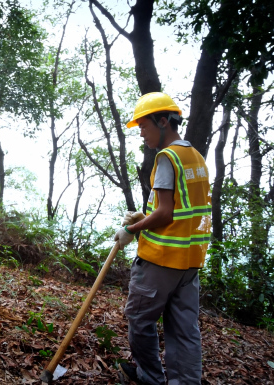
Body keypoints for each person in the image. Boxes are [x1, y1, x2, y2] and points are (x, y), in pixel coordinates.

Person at [114, 92, 211, 385]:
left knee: (140, 319)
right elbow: (181, 210)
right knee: (184, 330)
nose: (141, 132)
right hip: (190, 261)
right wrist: (142, 217)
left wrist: (132, 230)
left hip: (161, 260)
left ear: (164, 121)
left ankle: (150, 378)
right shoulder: (195, 157)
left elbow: (166, 213)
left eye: (144, 125)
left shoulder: (167, 157)